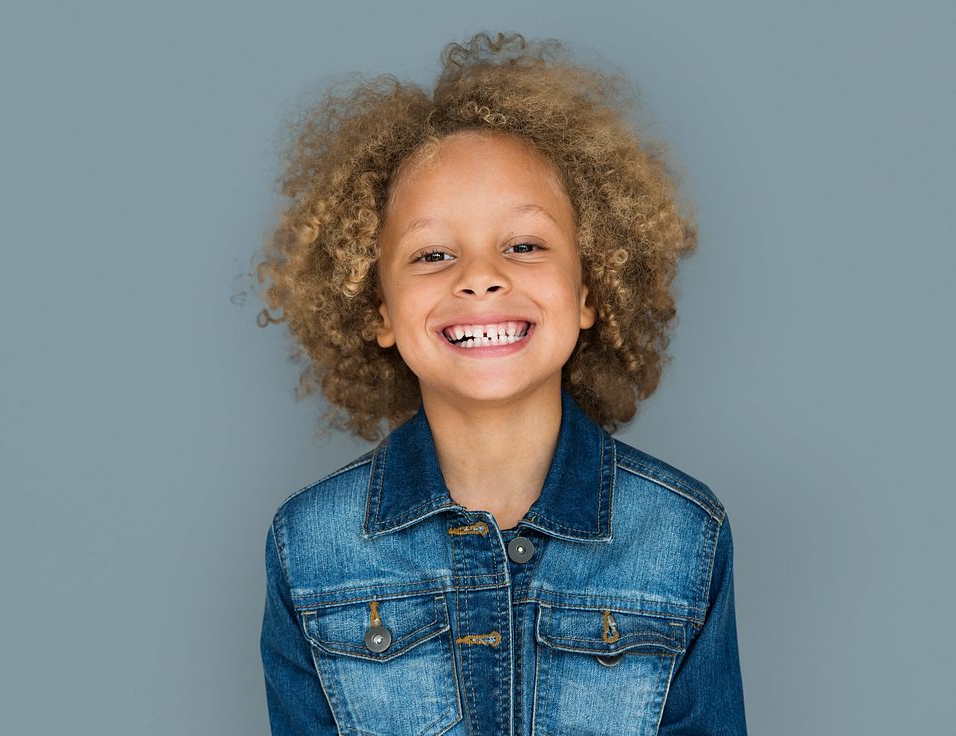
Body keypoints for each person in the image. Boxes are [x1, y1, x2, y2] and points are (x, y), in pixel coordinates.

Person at [254, 31, 747, 735]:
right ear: (379, 310)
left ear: (590, 287)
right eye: (433, 253)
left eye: (524, 245)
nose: (480, 275)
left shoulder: (683, 533)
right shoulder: (308, 546)